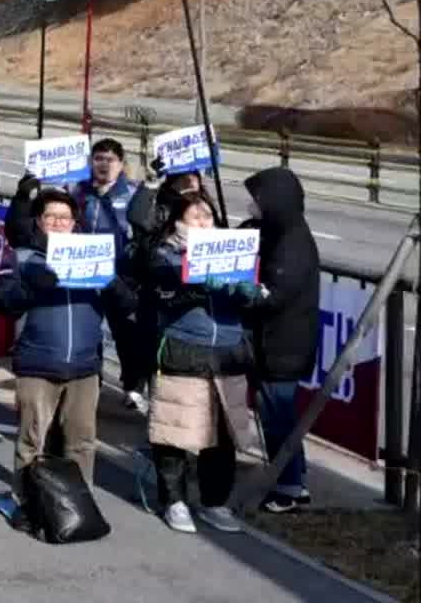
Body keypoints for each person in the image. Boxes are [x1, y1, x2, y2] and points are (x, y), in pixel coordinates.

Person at [0, 188, 130, 535]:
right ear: (39, 221)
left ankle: (79, 502)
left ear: (75, 223)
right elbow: (4, 304)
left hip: (85, 365)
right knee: (31, 441)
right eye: (51, 217)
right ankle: (24, 502)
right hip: (38, 362)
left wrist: (115, 286)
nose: (58, 223)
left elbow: (127, 306)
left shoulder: (94, 256)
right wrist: (33, 287)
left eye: (65, 218)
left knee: (81, 441)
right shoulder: (23, 257)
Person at [142, 191, 264, 534]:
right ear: (178, 222)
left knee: (223, 435)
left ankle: (215, 501)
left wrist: (248, 291)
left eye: (207, 216)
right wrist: (194, 279)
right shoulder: (166, 253)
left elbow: (250, 295)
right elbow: (161, 282)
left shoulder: (232, 251)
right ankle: (174, 500)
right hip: (185, 349)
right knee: (174, 429)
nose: (203, 222)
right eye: (194, 216)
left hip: (228, 351)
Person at [242, 167, 320, 513]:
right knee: (276, 412)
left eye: (258, 200)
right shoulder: (275, 231)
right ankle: (292, 480)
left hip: (283, 346)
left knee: (278, 416)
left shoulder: (292, 242)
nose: (253, 205)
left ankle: (288, 486)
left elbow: (275, 294)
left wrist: (246, 292)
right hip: (273, 343)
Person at [74, 138, 146, 412]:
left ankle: (133, 387)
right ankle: (93, 383)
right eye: (98, 158)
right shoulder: (79, 192)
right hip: (86, 274)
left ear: (121, 163)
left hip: (120, 277)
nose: (103, 164)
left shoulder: (131, 193)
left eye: (110, 159)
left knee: (126, 335)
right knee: (90, 332)